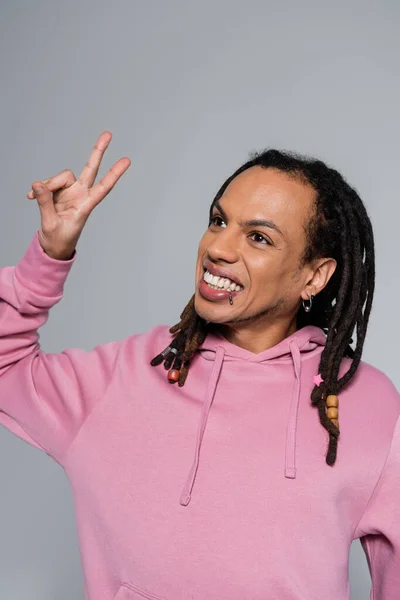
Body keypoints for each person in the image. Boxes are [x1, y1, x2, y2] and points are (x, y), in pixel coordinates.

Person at [0, 131, 399, 600]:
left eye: (257, 237)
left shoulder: (365, 405)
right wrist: (49, 256)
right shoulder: (127, 375)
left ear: (313, 275)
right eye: (218, 221)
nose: (219, 248)